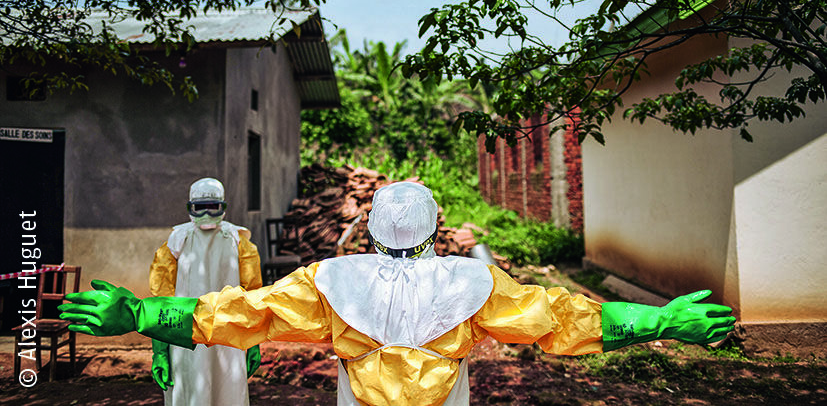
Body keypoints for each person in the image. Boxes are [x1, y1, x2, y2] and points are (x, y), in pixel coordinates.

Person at [60, 182, 735, 406]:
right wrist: (664, 321)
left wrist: (140, 314)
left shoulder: (330, 281)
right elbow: (571, 319)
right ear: (437, 228)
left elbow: (231, 314)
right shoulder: (473, 283)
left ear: (369, 229)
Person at [148, 177, 263, 406]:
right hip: (185, 334)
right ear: (190, 207)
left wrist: (254, 343)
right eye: (200, 208)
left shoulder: (239, 242)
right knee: (190, 389)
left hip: (229, 335)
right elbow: (161, 298)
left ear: (223, 206)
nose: (206, 214)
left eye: (213, 207)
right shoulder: (176, 242)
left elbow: (252, 296)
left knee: (228, 391)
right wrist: (159, 350)